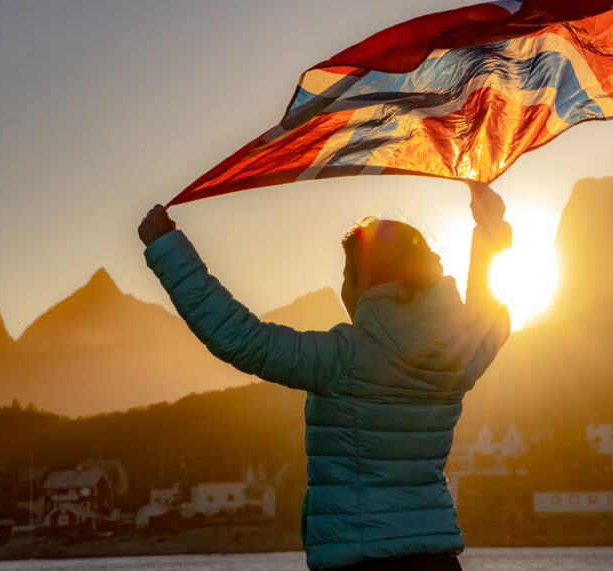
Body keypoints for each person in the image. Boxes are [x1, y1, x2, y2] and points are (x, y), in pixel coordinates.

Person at [138, 182, 512, 570]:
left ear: (364, 276)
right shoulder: (461, 352)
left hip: (360, 562)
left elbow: (239, 337)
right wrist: (489, 227)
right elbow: (491, 315)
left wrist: (166, 246)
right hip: (438, 560)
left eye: (347, 273)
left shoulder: (341, 359)